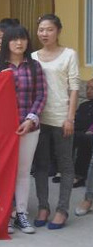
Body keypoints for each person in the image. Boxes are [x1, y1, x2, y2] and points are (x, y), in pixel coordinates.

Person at [0, 25, 46, 234]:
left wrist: (31, 119)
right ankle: (5, 215)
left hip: (28, 127)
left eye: (23, 39)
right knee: (4, 171)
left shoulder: (35, 66)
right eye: (14, 39)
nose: (19, 43)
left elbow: (41, 95)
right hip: (2, 130)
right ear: (6, 43)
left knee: (23, 172)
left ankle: (21, 213)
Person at [31, 14, 80, 230]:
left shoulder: (69, 54)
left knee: (65, 165)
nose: (44, 34)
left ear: (58, 31)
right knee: (40, 165)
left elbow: (74, 88)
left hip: (62, 119)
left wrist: (70, 117)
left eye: (49, 29)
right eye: (41, 30)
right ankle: (43, 207)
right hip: (39, 118)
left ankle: (62, 210)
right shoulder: (33, 56)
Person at [72, 79, 93, 195]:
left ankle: (79, 175)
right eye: (87, 88)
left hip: (88, 134)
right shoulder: (84, 105)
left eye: (92, 88)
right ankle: (60, 170)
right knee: (62, 134)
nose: (88, 91)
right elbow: (75, 119)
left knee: (85, 139)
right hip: (78, 131)